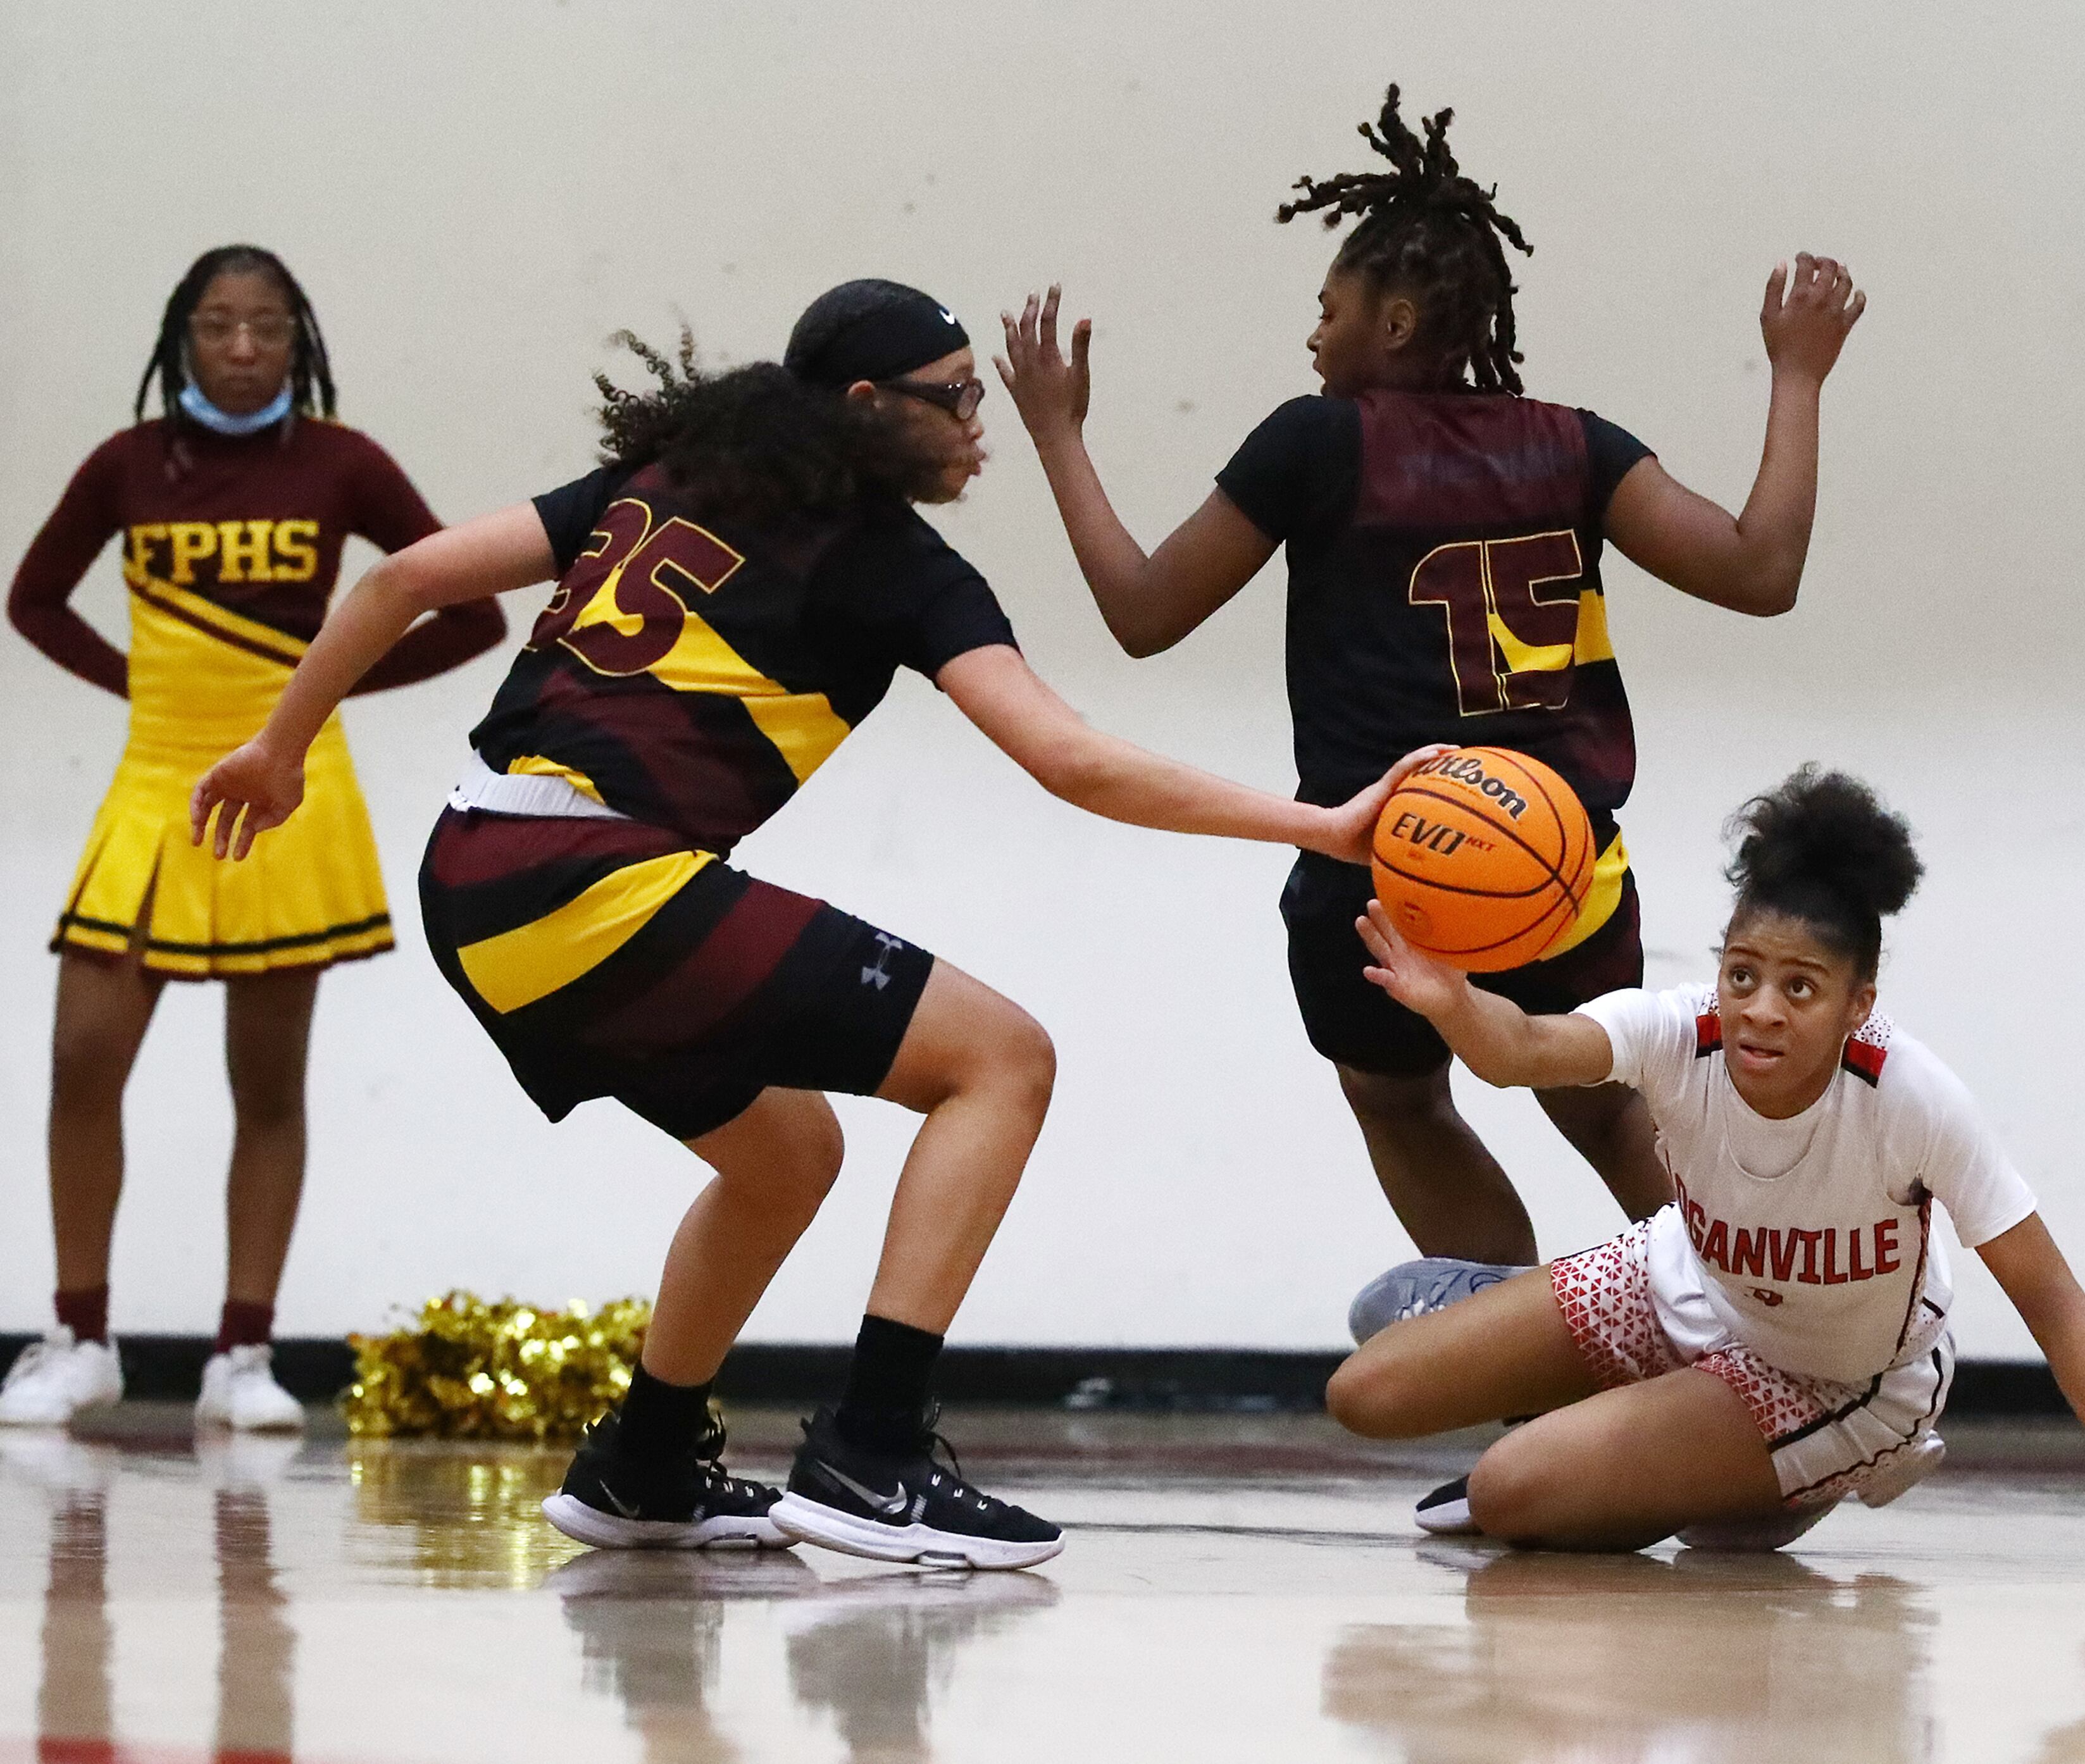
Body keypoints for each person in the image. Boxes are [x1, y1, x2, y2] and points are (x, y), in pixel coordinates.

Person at [188, 280, 1431, 1568]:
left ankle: (645, 1461)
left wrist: (280, 749)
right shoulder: (889, 561)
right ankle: (873, 1452)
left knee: (787, 1152)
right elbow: (1073, 763)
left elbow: (402, 577)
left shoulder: (669, 473)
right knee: (1002, 1058)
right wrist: (1322, 826)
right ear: (862, 408)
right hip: (590, 875)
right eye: (953, 398)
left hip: (477, 867)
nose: (976, 427)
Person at [996, 87, 1865, 1321]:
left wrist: (1058, 432)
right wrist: (1796, 374)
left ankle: (1520, 1378)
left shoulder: (1316, 440)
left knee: (1401, 1097)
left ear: (1394, 320)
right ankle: (1764, 1346)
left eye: (1329, 306)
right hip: (1563, 862)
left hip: (1387, 860)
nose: (1313, 333)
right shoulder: (1577, 442)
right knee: (1602, 1102)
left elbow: (1143, 610)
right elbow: (1760, 571)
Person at [1326, 767, 2085, 1574]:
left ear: (1858, 1004)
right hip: (1685, 1275)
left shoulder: (1912, 1099)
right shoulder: (1684, 1030)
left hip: (1835, 1376)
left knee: (1508, 1495)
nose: (1760, 1007)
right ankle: (1630, 1421)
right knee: (1366, 1394)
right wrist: (1452, 1002)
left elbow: (2057, 1305)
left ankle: (1769, 1475)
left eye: (1799, 987)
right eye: (1744, 973)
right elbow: (1523, 1051)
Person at [1, 245, 504, 1432]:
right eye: (218, 326)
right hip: (157, 781)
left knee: (267, 1082)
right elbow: (31, 597)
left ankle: (244, 1355)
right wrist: (141, 684)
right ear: (182, 336)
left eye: (266, 328)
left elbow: (472, 612)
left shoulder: (343, 462)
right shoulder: (127, 464)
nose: (240, 349)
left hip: (288, 794)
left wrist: (311, 704)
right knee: (85, 1056)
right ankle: (78, 1338)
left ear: (299, 340)